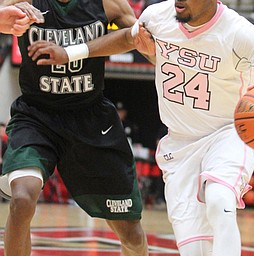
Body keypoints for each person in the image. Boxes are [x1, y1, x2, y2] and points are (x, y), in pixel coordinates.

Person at [28, 0, 254, 255]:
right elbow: (127, 38)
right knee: (194, 250)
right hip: (180, 145)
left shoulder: (239, 32)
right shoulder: (158, 15)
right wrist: (70, 54)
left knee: (219, 199)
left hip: (228, 134)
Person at [0, 0, 149, 255]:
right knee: (22, 199)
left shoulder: (108, 3)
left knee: (131, 233)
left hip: (91, 119)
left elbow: (143, 43)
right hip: (37, 115)